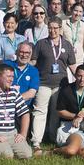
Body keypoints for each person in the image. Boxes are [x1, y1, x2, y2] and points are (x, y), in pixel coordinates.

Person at [31, 18, 75, 146]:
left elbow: (72, 66)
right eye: (50, 27)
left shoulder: (67, 44)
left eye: (55, 28)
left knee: (56, 112)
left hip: (61, 85)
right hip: (43, 83)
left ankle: (52, 137)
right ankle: (36, 141)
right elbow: (33, 63)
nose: (53, 30)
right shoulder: (41, 43)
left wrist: (81, 78)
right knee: (40, 111)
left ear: (60, 28)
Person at [54, 65, 84, 158]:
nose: (82, 79)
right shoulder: (66, 90)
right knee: (71, 151)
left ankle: (79, 146)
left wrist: (81, 116)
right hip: (69, 126)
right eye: (79, 76)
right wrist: (75, 116)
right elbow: (60, 111)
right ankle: (53, 152)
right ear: (75, 75)